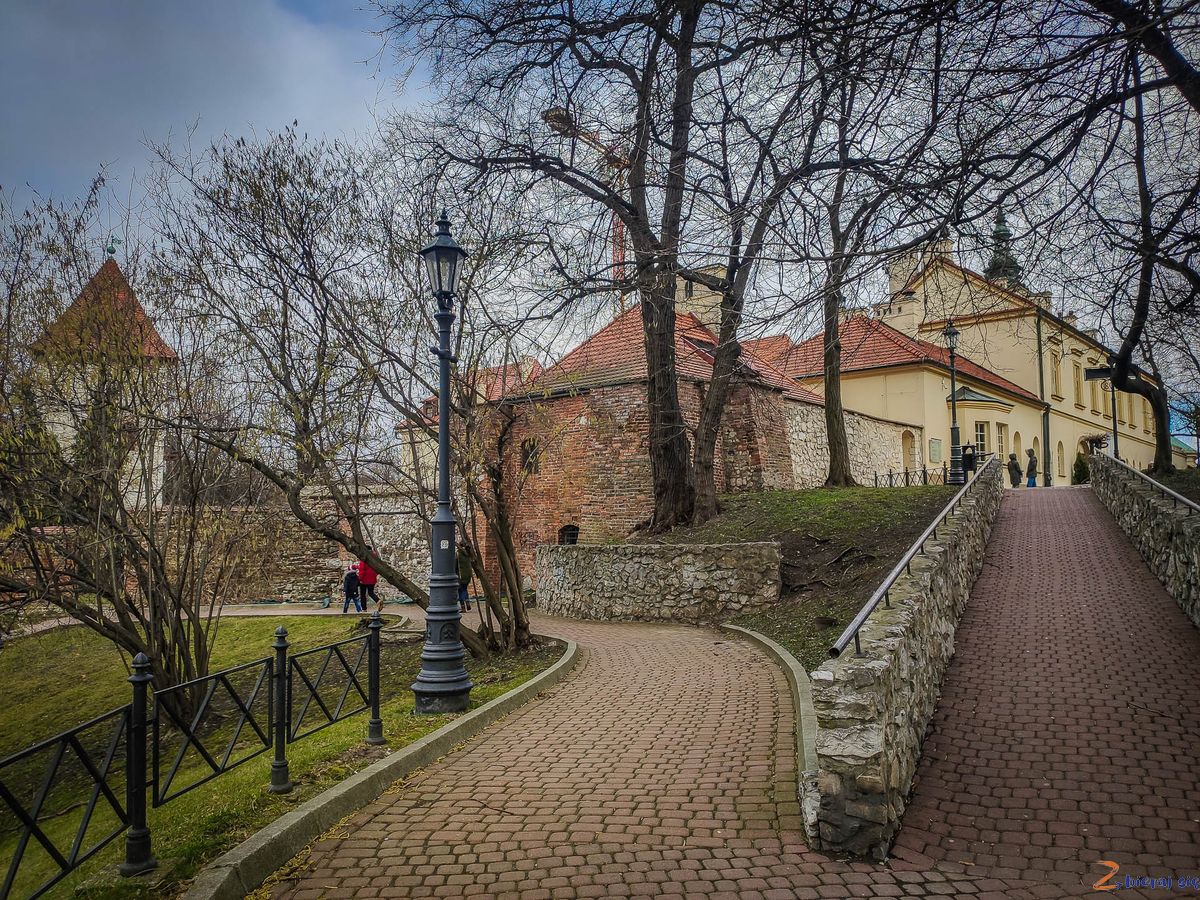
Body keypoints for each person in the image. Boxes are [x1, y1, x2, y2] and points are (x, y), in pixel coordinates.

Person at [456, 543, 474, 613]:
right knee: (464, 589)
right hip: (468, 576)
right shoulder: (468, 554)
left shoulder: (458, 555)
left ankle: (463, 607)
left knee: (460, 590)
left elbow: (455, 566)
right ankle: (467, 602)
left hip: (461, 576)